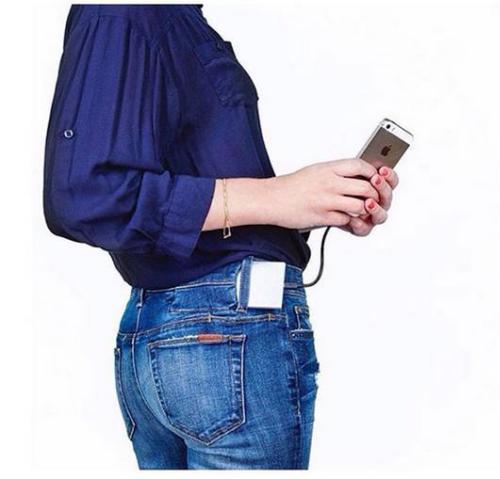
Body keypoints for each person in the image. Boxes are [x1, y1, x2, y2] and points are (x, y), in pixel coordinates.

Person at [43, 4, 398, 470]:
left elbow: (198, 198)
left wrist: (312, 203)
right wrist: (277, 196)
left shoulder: (176, 19)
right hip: (219, 327)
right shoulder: (129, 11)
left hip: (198, 329)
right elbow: (85, 193)